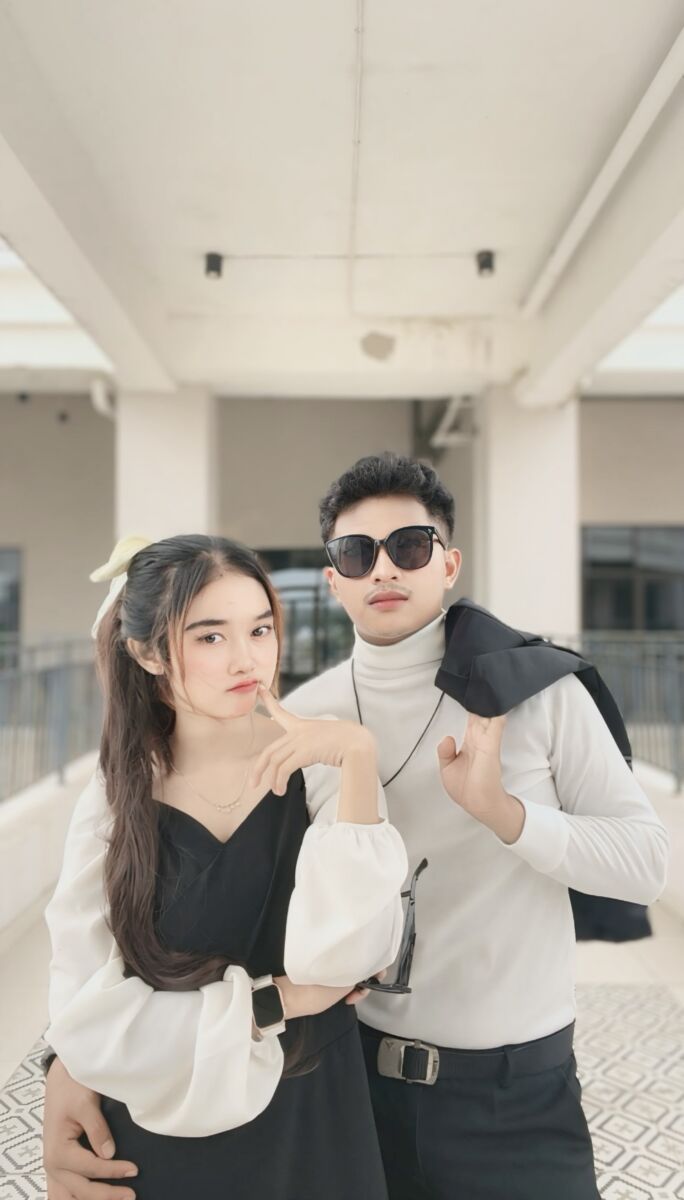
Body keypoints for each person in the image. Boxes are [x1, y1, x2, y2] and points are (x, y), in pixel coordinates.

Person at [43, 455, 670, 1200]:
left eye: (410, 545)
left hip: (510, 1095)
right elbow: (138, 911)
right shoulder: (306, 719)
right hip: (347, 1087)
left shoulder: (537, 694)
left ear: (449, 563)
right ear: (333, 579)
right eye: (355, 553)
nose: (384, 569)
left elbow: (644, 864)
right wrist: (70, 1064)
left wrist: (506, 814)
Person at [42, 533, 408, 1200]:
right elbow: (87, 1014)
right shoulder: (115, 797)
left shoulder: (324, 769)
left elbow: (344, 958)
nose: (248, 659)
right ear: (147, 653)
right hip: (159, 1128)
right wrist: (278, 1000)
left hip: (312, 1119)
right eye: (210, 636)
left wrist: (357, 756)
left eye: (260, 629)